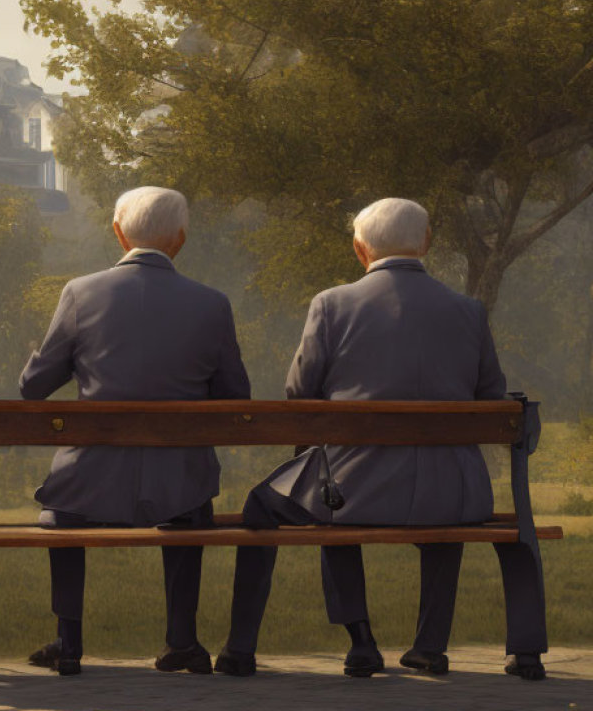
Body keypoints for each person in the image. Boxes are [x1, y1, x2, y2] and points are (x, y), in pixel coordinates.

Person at [218, 197, 546, 681]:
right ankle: (429, 646)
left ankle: (333, 642)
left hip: (352, 488)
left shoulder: (331, 304)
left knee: (292, 499)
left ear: (359, 248)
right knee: (440, 502)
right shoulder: (468, 310)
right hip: (453, 492)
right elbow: (490, 398)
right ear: (426, 242)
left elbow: (299, 395)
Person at [20, 186, 251, 676]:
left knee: (58, 517)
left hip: (88, 480)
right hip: (181, 482)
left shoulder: (81, 293)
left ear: (118, 232)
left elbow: (33, 387)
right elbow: (236, 397)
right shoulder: (212, 304)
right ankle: (182, 640)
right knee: (190, 507)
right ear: (180, 240)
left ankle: (69, 641)